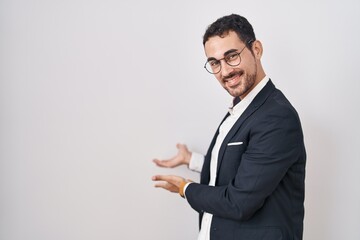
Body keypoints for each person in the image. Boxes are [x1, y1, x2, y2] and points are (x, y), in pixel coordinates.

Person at [152, 13, 306, 240]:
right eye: (215, 63)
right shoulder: (241, 106)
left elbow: (239, 202)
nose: (225, 71)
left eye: (232, 56)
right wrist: (193, 160)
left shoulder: (277, 117)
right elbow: (248, 170)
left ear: (256, 50)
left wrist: (185, 188)